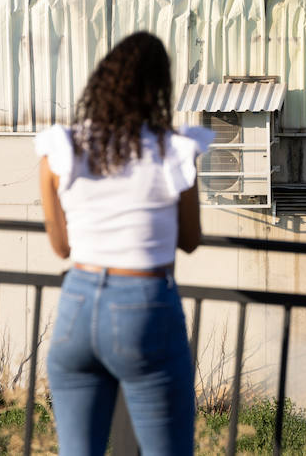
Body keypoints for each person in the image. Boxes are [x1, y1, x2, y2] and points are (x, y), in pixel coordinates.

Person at [34, 32, 212, 455]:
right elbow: (190, 240)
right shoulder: (172, 152)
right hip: (145, 305)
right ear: (159, 90)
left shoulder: (63, 150)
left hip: (77, 302)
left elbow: (61, 247)